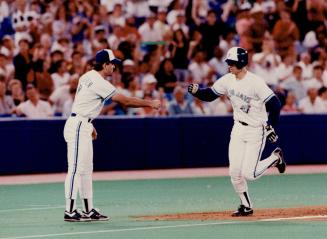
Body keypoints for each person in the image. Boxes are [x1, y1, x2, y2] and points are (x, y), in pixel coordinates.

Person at [63, 49, 161, 222]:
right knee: (76, 169)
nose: (114, 67)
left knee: (86, 170)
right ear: (105, 64)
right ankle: (69, 211)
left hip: (82, 122)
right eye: (112, 63)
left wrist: (89, 122)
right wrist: (149, 103)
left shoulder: (86, 76)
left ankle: (88, 209)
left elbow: (83, 101)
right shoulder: (98, 81)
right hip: (78, 125)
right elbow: (125, 101)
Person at [188, 47, 286, 216]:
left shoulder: (255, 82)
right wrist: (198, 92)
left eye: (232, 63)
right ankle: (246, 205)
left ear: (241, 63)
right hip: (238, 128)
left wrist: (271, 126)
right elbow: (211, 94)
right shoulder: (228, 79)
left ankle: (275, 158)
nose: (229, 66)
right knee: (234, 172)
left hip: (256, 130)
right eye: (228, 63)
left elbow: (275, 105)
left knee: (250, 173)